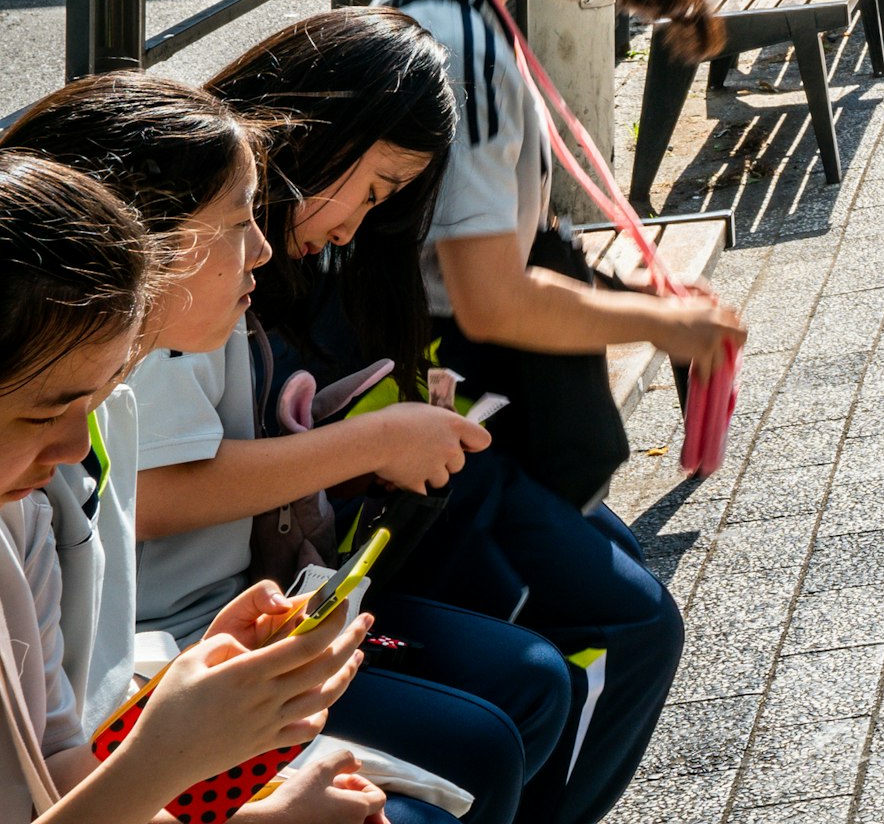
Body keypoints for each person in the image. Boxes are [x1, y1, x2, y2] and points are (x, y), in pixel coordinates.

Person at [4, 73, 562, 824]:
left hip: (147, 714)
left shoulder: (75, 447)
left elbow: (64, 747)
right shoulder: (39, 483)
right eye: (239, 223)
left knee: (518, 697)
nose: (265, 249)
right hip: (152, 701)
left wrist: (191, 733)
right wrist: (180, 753)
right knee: (488, 733)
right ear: (145, 243)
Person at [387, 0, 718, 823]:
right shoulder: (466, 44)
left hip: (446, 407)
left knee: (619, 607)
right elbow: (489, 297)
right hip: (462, 420)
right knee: (634, 624)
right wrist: (669, 322)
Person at [0, 148, 379, 823]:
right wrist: (168, 755)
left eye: (98, 399)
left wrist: (197, 710)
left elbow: (56, 759)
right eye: (43, 412)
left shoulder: (19, 510)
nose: (74, 448)